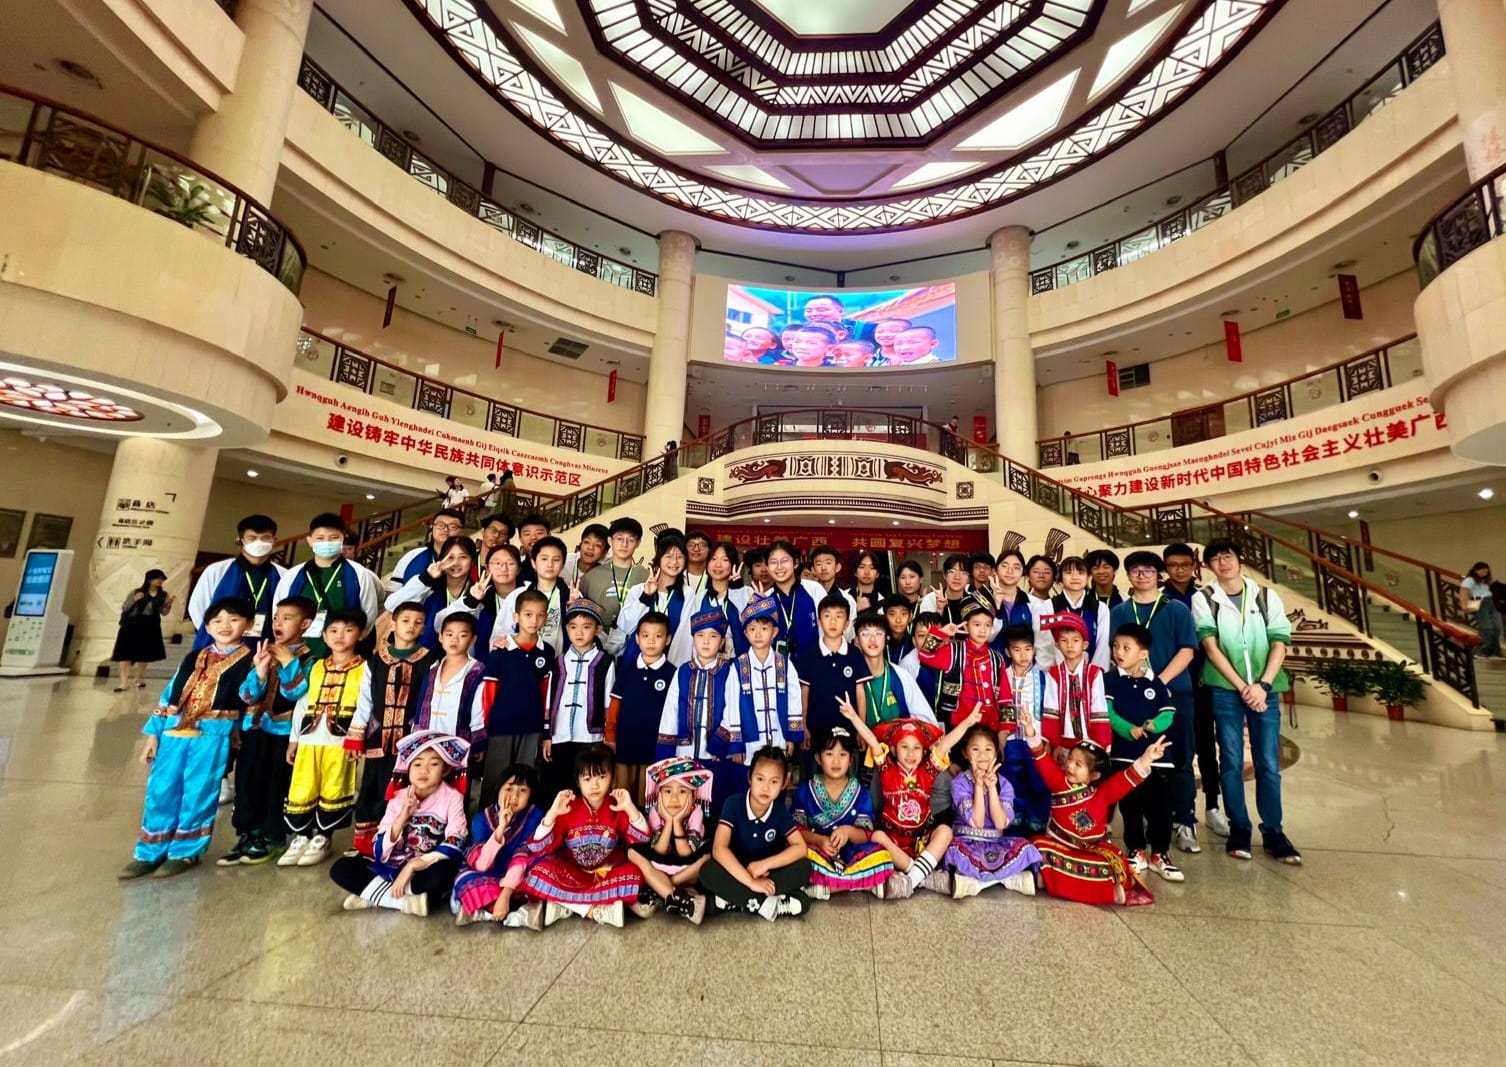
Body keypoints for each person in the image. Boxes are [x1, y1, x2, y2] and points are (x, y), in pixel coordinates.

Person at [118, 596, 258, 880]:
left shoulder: (249, 660)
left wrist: (262, 672)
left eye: (233, 619)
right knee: (161, 790)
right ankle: (150, 850)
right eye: (217, 620)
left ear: (249, 624)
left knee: (198, 792)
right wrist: (153, 733)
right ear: (207, 625)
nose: (225, 625)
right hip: (174, 731)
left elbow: (250, 697)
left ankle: (185, 850)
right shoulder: (193, 657)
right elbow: (169, 695)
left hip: (212, 734)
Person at [1191, 538, 1302, 865]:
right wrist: (1243, 687)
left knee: (1268, 762)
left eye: (1228, 556)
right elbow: (1211, 647)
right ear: (1209, 566)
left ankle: (1274, 831)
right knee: (1231, 761)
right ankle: (1239, 827)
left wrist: (1263, 685)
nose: (1223, 563)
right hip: (1226, 690)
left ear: (1240, 560)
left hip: (1265, 689)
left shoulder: (1266, 596)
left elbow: (1279, 642)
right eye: (1215, 559)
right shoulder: (1204, 598)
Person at [1019, 704, 1163, 906]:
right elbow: (1042, 759)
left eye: (1078, 764)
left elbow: (1125, 779)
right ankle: (1054, 879)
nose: (1070, 766)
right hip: (1058, 848)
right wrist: (1030, 732)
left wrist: (1146, 759)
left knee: (1113, 862)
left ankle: (1098, 891)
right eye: (1070, 759)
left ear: (1094, 775)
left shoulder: (1103, 793)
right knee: (1036, 846)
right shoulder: (1059, 783)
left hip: (1090, 852)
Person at [1110, 550, 1200, 854]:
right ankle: (1143, 826)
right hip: (1131, 699)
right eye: (1135, 570)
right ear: (1128, 575)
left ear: (1158, 574)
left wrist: (1158, 683)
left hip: (1174, 693)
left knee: (1178, 759)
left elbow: (1187, 650)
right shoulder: (1121, 612)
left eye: (1148, 570)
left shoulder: (1176, 609)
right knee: (1135, 759)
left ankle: (1184, 820)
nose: (1142, 575)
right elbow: (1116, 653)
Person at [837, 704, 975, 898]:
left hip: (920, 842)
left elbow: (944, 745)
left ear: (924, 751)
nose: (911, 754)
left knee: (945, 831)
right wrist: (853, 716)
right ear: (893, 750)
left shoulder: (927, 771)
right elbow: (872, 740)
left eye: (916, 748)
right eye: (905, 747)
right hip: (893, 842)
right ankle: (924, 878)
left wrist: (967, 723)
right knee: (877, 836)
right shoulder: (887, 769)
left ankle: (910, 879)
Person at [330, 730, 469, 916]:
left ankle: (373, 894)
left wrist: (413, 865)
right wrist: (403, 816)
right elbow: (379, 849)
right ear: (408, 768)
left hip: (424, 867)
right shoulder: (399, 797)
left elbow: (456, 840)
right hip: (391, 865)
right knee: (341, 868)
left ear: (446, 769)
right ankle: (402, 902)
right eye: (417, 764)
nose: (424, 770)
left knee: (444, 873)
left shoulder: (452, 797)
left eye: (434, 764)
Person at [221, 597, 315, 866]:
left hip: (283, 733)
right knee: (248, 781)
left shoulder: (310, 659)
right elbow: (246, 695)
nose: (278, 623)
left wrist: (289, 664)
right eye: (276, 617)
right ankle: (249, 834)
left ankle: (273, 837)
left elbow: (296, 693)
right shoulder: (264, 653)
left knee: (276, 785)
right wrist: (260, 672)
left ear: (305, 624)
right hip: (254, 728)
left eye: (287, 618)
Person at [522, 743, 650, 929]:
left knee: (634, 874)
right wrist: (552, 813)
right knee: (538, 872)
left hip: (607, 872)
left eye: (602, 777)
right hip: (572, 873)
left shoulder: (618, 806)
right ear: (578, 781)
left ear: (613, 778)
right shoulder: (568, 807)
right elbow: (538, 848)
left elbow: (643, 842)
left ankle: (564, 904)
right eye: (587, 778)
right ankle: (595, 910)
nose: (594, 785)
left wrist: (630, 809)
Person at [279, 608, 368, 869]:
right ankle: (301, 836)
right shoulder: (316, 667)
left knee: (334, 785)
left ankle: (323, 837)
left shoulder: (365, 668)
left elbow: (366, 705)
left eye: (348, 630)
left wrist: (357, 737)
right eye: (333, 630)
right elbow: (302, 703)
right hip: (310, 737)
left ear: (361, 634)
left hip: (340, 739)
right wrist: (294, 738)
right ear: (325, 636)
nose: (340, 636)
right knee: (303, 785)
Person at [345, 602, 433, 857]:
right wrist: (356, 735)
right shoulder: (375, 660)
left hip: (409, 738)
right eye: (405, 621)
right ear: (392, 624)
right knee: (372, 785)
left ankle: (396, 839)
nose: (411, 626)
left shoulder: (429, 660)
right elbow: (365, 700)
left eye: (418, 622)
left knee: (403, 788)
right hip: (378, 734)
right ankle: (366, 842)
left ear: (424, 628)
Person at [1160, 542, 1228, 839]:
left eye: (1185, 565)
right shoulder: (1160, 600)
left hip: (1203, 683)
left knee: (1206, 745)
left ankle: (1212, 805)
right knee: (1173, 749)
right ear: (1165, 568)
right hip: (1172, 685)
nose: (1179, 570)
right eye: (1173, 565)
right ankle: (1177, 810)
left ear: (1194, 566)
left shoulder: (1206, 598)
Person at [1105, 623, 1183, 883]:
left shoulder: (1156, 683)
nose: (1119, 652)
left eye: (1126, 647)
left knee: (1162, 806)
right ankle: (1136, 849)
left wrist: (1151, 726)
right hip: (1125, 755)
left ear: (1143, 653)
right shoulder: (1109, 680)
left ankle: (1160, 854)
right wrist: (1129, 729)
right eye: (1116, 646)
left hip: (1158, 758)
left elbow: (1168, 714)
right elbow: (1108, 712)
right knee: (1131, 805)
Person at [699, 745, 811, 921]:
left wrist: (764, 865)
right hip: (735, 870)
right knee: (708, 871)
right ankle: (766, 904)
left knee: (804, 867)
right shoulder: (733, 803)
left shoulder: (779, 811)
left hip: (765, 872)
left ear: (784, 783)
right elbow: (719, 849)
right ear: (749, 777)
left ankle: (733, 901)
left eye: (774, 782)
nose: (766, 788)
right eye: (760, 779)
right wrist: (750, 882)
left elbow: (800, 848)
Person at [792, 726, 894, 899]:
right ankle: (860, 883)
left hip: (853, 853)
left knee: (883, 856)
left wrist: (848, 831)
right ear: (818, 758)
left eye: (843, 754)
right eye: (829, 754)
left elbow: (866, 834)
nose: (836, 761)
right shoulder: (805, 790)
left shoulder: (861, 793)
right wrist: (819, 840)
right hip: (819, 851)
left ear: (851, 760)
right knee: (799, 854)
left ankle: (826, 887)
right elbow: (795, 831)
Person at [944, 722, 1043, 899]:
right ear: (965, 753)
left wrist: (991, 787)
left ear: (996, 753)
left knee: (1027, 848)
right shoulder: (959, 783)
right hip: (967, 842)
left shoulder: (1004, 784)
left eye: (988, 749)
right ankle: (1008, 879)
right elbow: (977, 822)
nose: (982, 755)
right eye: (975, 749)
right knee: (953, 851)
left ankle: (977, 883)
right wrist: (978, 785)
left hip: (996, 843)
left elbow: (1000, 823)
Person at [475, 587, 557, 795]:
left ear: (546, 618)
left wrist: (545, 730)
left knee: (526, 780)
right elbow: (488, 694)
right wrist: (485, 728)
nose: (534, 620)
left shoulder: (547, 652)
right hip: (501, 726)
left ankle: (523, 816)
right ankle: (491, 816)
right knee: (496, 779)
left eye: (540, 615)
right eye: (528, 614)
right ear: (516, 616)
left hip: (532, 726)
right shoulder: (500, 651)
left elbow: (546, 694)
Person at [656, 609, 740, 809]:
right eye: (700, 635)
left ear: (722, 642)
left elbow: (733, 710)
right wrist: (666, 755)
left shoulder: (729, 672)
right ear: (693, 639)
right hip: (684, 753)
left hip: (715, 754)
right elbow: (670, 713)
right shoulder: (682, 672)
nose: (706, 641)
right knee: (686, 805)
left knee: (715, 803)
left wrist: (718, 744)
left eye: (713, 636)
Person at [273, 513, 382, 658]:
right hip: (295, 652)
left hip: (342, 652)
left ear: (342, 539)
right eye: (320, 538)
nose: (326, 542)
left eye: (334, 538)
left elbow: (368, 613)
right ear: (310, 541)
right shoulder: (293, 575)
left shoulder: (359, 574)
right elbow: (278, 612)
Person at [715, 594, 804, 762]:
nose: (758, 634)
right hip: (750, 744)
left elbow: (794, 700)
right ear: (745, 633)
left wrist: (791, 736)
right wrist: (736, 744)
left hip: (779, 739)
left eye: (764, 629)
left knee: (777, 771)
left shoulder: (784, 664)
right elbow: (732, 706)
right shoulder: (739, 666)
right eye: (752, 629)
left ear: (774, 631)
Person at [453, 763, 544, 927]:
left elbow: (524, 855)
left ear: (531, 795)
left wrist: (506, 893)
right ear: (499, 790)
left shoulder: (534, 815)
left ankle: (484, 910)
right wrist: (501, 828)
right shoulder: (480, 820)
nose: (514, 796)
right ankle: (517, 914)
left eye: (522, 790)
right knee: (465, 878)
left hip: (521, 870)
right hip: (490, 870)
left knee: (542, 871)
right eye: (509, 789)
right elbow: (481, 865)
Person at [541, 599, 614, 801]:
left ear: (598, 629)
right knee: (559, 786)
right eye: (573, 627)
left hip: (591, 738)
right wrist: (547, 735)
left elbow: (609, 703)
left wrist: (608, 736)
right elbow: (549, 700)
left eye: (586, 627)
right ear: (566, 629)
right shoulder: (558, 661)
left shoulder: (605, 662)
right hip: (560, 735)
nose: (579, 633)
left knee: (587, 785)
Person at [626, 756, 715, 923]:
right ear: (659, 795)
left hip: (686, 869)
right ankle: (681, 899)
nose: (674, 799)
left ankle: (659, 889)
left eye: (682, 792)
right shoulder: (655, 811)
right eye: (667, 792)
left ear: (693, 795)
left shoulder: (696, 812)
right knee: (632, 853)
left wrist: (677, 822)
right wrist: (668, 822)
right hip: (660, 864)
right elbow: (659, 851)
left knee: (709, 857)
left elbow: (686, 854)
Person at [606, 611, 676, 803]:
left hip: (654, 747)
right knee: (622, 795)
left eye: (658, 636)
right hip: (625, 744)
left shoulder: (672, 674)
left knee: (648, 797)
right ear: (637, 639)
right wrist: (610, 737)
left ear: (668, 639)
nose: (651, 641)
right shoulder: (626, 670)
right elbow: (614, 707)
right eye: (645, 635)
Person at [915, 595, 1012, 735]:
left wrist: (1004, 732)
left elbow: (1006, 698)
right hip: (958, 727)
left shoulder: (997, 659)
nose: (983, 630)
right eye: (977, 625)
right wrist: (941, 633)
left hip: (989, 728)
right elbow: (925, 655)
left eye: (987, 625)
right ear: (966, 626)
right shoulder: (953, 651)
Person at [187, 514, 285, 650]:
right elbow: (198, 607)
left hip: (266, 647)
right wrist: (219, 635)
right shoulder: (217, 570)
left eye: (265, 538)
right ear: (240, 540)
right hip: (219, 646)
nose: (259, 543)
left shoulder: (284, 575)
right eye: (252, 538)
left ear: (274, 540)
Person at [796, 592, 870, 749]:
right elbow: (804, 692)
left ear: (847, 623)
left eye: (839, 616)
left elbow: (860, 693)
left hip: (849, 732)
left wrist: (861, 728)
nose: (833, 621)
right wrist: (803, 725)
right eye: (827, 616)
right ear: (819, 622)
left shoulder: (855, 654)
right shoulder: (808, 655)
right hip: (816, 732)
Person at [384, 535, 478, 653]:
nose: (456, 563)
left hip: (460, 657)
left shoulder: (478, 592)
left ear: (472, 560)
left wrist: (472, 600)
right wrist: (427, 578)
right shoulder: (427, 586)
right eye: (450, 557)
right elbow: (391, 605)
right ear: (441, 558)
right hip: (420, 653)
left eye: (463, 557)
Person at [409, 614, 486, 751]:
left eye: (462, 635)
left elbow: (478, 710)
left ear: (473, 639)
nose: (454, 640)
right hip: (427, 741)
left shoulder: (477, 672)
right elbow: (422, 703)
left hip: (457, 742)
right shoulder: (433, 669)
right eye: (449, 634)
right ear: (441, 637)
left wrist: (477, 743)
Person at [615, 536, 693, 664]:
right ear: (658, 559)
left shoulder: (687, 593)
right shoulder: (638, 590)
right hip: (634, 661)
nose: (674, 562)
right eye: (668, 556)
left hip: (668, 664)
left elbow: (684, 636)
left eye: (680, 557)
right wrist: (646, 596)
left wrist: (674, 668)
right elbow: (626, 626)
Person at [1040, 612, 1110, 751]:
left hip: (1090, 742)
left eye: (1075, 640)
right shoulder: (1054, 673)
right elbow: (1051, 711)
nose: (1070, 645)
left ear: (1085, 644)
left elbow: (1099, 711)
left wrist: (1100, 745)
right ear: (1057, 645)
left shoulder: (1094, 673)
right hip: (1062, 743)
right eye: (1064, 640)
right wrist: (1054, 745)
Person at [851, 612, 935, 726]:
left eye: (878, 633)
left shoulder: (901, 676)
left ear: (887, 639)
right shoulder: (850, 678)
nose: (872, 639)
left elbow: (926, 719)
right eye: (865, 634)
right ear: (857, 641)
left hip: (897, 736)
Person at [493, 535, 569, 655]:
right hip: (521, 659)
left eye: (556, 560)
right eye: (544, 559)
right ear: (533, 563)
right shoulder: (518, 595)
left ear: (563, 564)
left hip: (557, 661)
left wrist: (573, 607)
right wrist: (500, 643)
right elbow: (501, 631)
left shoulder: (570, 595)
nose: (550, 564)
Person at [757, 540, 832, 656]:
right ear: (767, 566)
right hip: (778, 664)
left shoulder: (813, 589)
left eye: (785, 561)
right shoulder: (765, 598)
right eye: (773, 562)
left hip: (815, 661)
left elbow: (829, 627)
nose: (779, 567)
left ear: (796, 563)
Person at [438, 543, 521, 643]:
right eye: (497, 563)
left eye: (510, 564)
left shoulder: (529, 594)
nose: (504, 568)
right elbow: (440, 622)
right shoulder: (481, 595)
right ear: (487, 569)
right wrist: (471, 600)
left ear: (518, 569)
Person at [579, 517, 646, 634]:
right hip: (598, 639)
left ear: (638, 543)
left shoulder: (646, 577)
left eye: (630, 540)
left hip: (636, 640)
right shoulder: (591, 577)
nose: (624, 544)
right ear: (610, 541)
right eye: (619, 539)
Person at [112, 569, 172, 691]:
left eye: (162, 579)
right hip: (132, 624)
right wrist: (134, 599)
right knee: (125, 654)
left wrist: (168, 605)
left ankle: (139, 678)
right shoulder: (136, 592)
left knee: (144, 655)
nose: (160, 581)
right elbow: (124, 607)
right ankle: (123, 682)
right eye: (157, 578)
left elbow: (164, 612)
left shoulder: (164, 595)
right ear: (149, 579)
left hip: (150, 625)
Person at [1045, 556, 1110, 668]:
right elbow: (1045, 645)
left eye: (1080, 573)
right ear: (1060, 577)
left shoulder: (1100, 608)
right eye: (1069, 572)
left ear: (1088, 576)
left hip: (1092, 673)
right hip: (1056, 673)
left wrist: (1095, 673)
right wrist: (1053, 673)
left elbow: (1103, 647)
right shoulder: (1048, 606)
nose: (1075, 577)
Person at [385, 510, 467, 594]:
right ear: (432, 528)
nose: (445, 529)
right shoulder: (413, 556)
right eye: (440, 525)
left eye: (453, 527)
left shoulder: (467, 560)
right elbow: (392, 591)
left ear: (462, 532)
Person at [1462, 562, 1504, 657]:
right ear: (1476, 570)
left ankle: (1495, 651)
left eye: (1486, 572)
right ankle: (1482, 651)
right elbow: (1464, 593)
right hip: (1481, 603)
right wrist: (1465, 605)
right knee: (1487, 628)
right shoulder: (1469, 580)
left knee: (1497, 628)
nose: (1485, 573)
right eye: (1483, 571)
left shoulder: (1485, 582)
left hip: (1492, 602)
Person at [919, 554, 972, 625]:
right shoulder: (930, 599)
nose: (957, 577)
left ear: (969, 579)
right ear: (944, 575)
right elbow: (925, 630)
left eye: (963, 573)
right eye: (952, 571)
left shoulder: (974, 602)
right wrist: (939, 610)